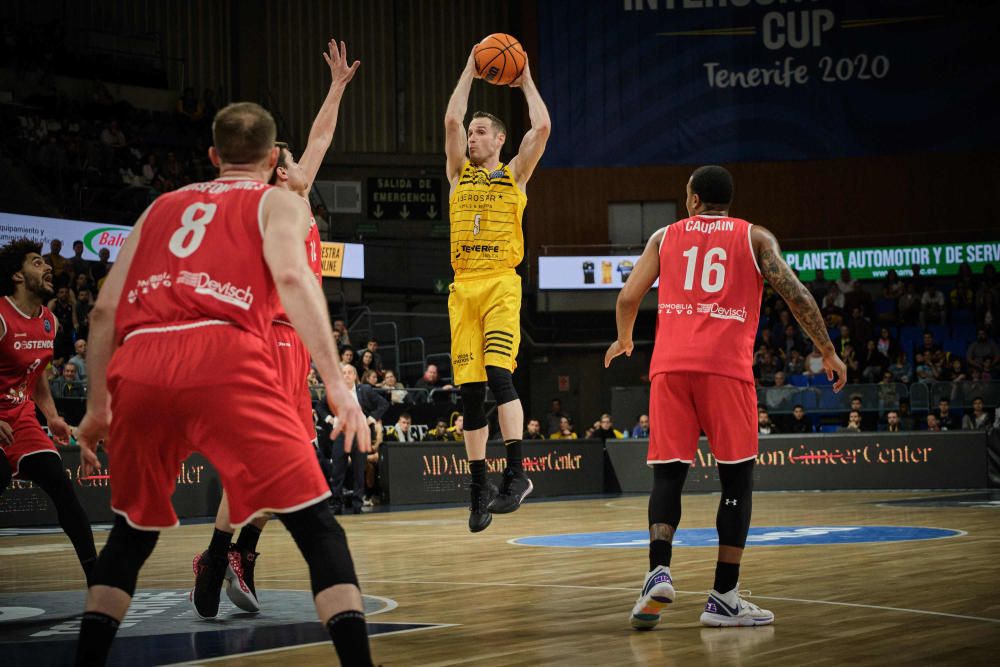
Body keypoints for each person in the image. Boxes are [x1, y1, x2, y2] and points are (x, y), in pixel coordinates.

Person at [73, 101, 373, 667]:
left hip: (140, 360)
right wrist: (338, 383)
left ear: (213, 156)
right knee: (318, 529)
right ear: (270, 159)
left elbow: (102, 313)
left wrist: (96, 406)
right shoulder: (277, 203)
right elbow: (291, 277)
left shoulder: (162, 204)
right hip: (228, 351)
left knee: (129, 537)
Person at [605, 165, 846, 630]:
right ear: (727, 201)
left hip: (670, 369)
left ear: (693, 198)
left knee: (668, 476)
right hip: (726, 371)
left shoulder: (663, 237)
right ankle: (724, 597)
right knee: (736, 483)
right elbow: (796, 295)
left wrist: (625, 339)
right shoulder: (755, 238)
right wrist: (828, 352)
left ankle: (658, 571)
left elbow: (627, 299)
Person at [187, 39, 360, 618]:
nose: (295, 167)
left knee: (280, 464)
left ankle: (236, 553)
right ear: (271, 172)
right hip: (265, 341)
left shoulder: (299, 198)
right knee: (264, 463)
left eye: (292, 162)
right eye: (282, 162)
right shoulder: (264, 208)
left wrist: (335, 88)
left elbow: (320, 139)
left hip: (297, 348)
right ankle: (219, 555)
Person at [444, 45, 551, 532]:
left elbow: (543, 128)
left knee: (498, 376)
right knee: (468, 394)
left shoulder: (514, 175)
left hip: (502, 285)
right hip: (463, 288)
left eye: (480, 131)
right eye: (471, 132)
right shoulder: (457, 175)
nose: (471, 136)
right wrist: (469, 67)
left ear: (501, 139)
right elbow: (450, 119)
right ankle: (478, 488)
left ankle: (517, 474)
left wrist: (525, 78)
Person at [0, 239, 98, 587]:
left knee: (60, 483)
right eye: (38, 262)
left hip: (21, 418)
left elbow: (38, 372)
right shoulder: (0, 315)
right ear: (16, 275)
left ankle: (96, 579)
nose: (47, 269)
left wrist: (53, 415)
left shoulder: (49, 323)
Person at [322, 365, 387, 514]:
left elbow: (383, 404)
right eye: (343, 373)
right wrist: (330, 419)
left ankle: (357, 505)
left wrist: (371, 419)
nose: (346, 375)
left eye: (349, 372)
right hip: (341, 435)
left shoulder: (364, 390)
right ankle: (337, 504)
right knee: (337, 471)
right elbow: (320, 406)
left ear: (355, 376)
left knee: (359, 471)